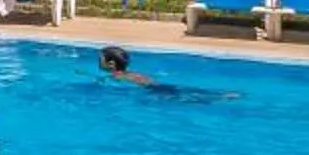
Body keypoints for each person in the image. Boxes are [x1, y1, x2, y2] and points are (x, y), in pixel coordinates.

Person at [98, 45, 235, 101]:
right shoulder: (132, 73)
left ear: (111, 64)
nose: (98, 62)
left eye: (100, 60)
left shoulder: (116, 77)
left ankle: (219, 98)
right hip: (158, 86)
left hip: (154, 91)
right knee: (187, 93)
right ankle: (221, 95)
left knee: (188, 100)